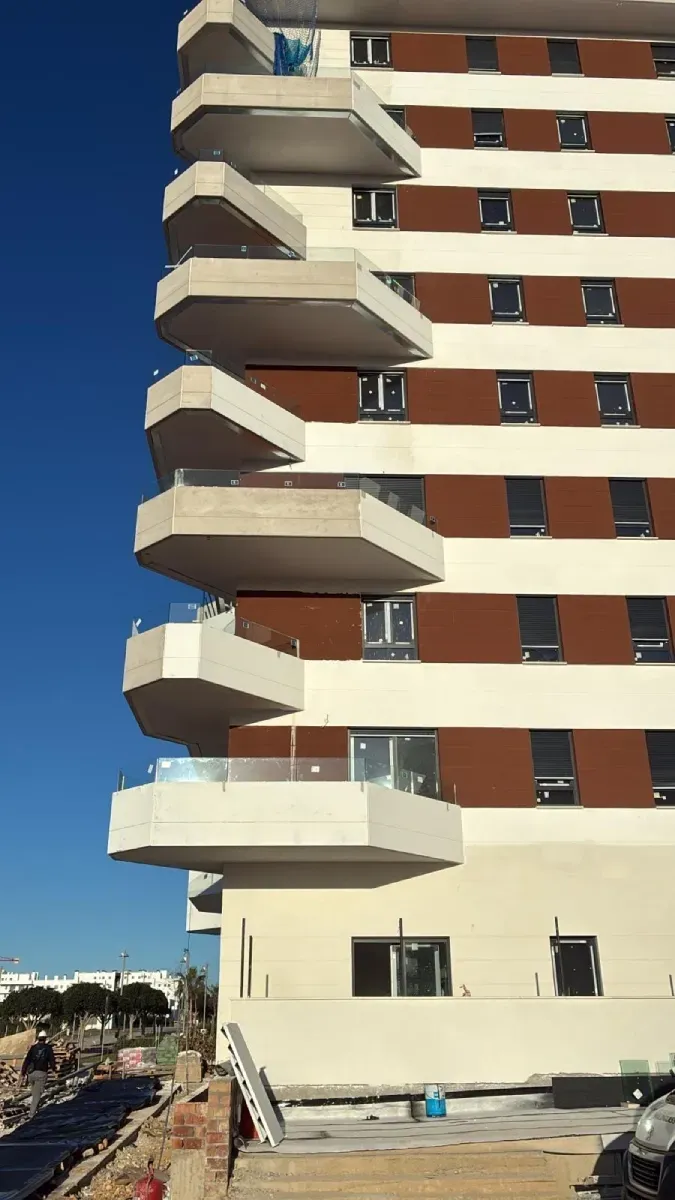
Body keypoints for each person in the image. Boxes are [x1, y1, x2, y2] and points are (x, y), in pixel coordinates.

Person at [20, 1030, 57, 1118]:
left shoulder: (33, 1048)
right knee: (37, 1096)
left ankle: (34, 1109)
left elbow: (27, 1060)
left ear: (38, 1038)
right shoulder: (48, 1048)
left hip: (31, 1074)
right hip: (41, 1074)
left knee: (34, 1094)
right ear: (45, 1039)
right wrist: (54, 1069)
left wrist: (23, 1072)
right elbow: (52, 1060)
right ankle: (31, 1115)